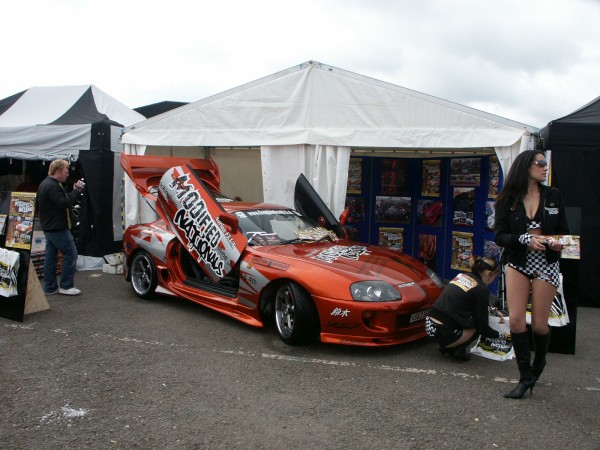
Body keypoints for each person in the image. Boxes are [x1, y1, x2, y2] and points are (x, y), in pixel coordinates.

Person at [494, 149, 569, 399]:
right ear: (526, 166)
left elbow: (564, 232)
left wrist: (558, 243)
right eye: (540, 163)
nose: (545, 168)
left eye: (545, 164)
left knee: (539, 326)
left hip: (546, 263)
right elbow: (500, 236)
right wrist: (523, 239)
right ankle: (525, 377)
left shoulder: (553, 195)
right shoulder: (508, 198)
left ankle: (540, 363)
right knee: (516, 320)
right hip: (518, 262)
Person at [425, 256, 505, 361]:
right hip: (444, 333)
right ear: (489, 274)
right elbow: (483, 327)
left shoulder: (461, 276)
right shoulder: (481, 289)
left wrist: (494, 310)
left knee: (478, 313)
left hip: (430, 326)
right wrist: (500, 335)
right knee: (478, 323)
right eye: (495, 276)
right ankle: (457, 350)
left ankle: (448, 346)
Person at [36, 160, 86, 296]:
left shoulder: (47, 184)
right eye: (66, 172)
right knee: (71, 254)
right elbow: (63, 203)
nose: (67, 174)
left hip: (50, 226)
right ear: (57, 172)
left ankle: (50, 287)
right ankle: (66, 285)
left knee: (50, 257)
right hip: (57, 227)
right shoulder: (52, 186)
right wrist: (76, 191)